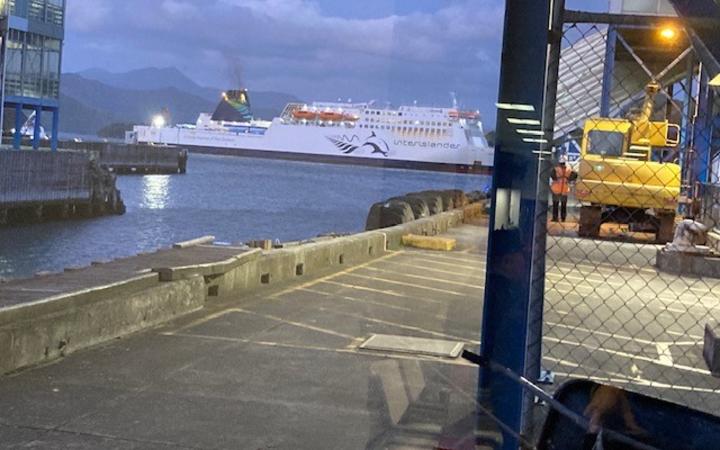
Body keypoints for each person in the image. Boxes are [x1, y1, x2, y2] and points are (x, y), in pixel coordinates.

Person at [550, 156, 577, 222]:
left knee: (555, 204)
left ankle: (555, 218)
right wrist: (569, 179)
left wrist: (556, 179)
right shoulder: (569, 169)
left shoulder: (555, 169)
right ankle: (563, 218)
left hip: (556, 189)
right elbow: (575, 175)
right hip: (564, 189)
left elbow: (552, 176)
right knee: (563, 205)